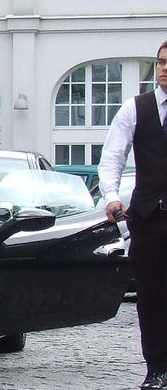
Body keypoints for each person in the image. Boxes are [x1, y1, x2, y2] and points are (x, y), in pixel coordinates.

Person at [98, 39, 167, 389]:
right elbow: (113, 156)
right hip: (149, 218)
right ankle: (157, 368)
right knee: (152, 298)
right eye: (160, 62)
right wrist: (111, 195)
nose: (164, 68)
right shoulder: (135, 108)